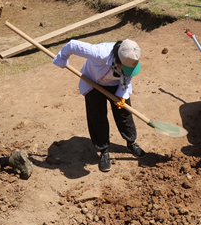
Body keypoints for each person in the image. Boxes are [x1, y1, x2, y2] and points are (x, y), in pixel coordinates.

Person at [52, 39, 146, 172]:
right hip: (93, 82)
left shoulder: (131, 58)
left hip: (117, 84)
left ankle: (131, 143)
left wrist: (121, 94)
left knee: (124, 113)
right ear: (118, 61)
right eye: (124, 67)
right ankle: (104, 151)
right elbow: (72, 45)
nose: (128, 70)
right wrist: (61, 58)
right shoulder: (100, 53)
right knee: (98, 117)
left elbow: (128, 76)